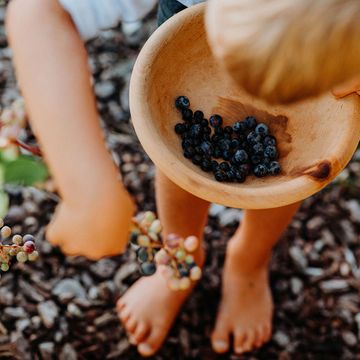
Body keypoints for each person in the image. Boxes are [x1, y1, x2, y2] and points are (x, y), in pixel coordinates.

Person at [5, 0, 325, 357]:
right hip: (191, 21)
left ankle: (249, 259)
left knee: (295, 165)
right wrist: (86, 190)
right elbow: (40, 12)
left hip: (319, 54)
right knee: (181, 160)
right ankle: (180, 258)